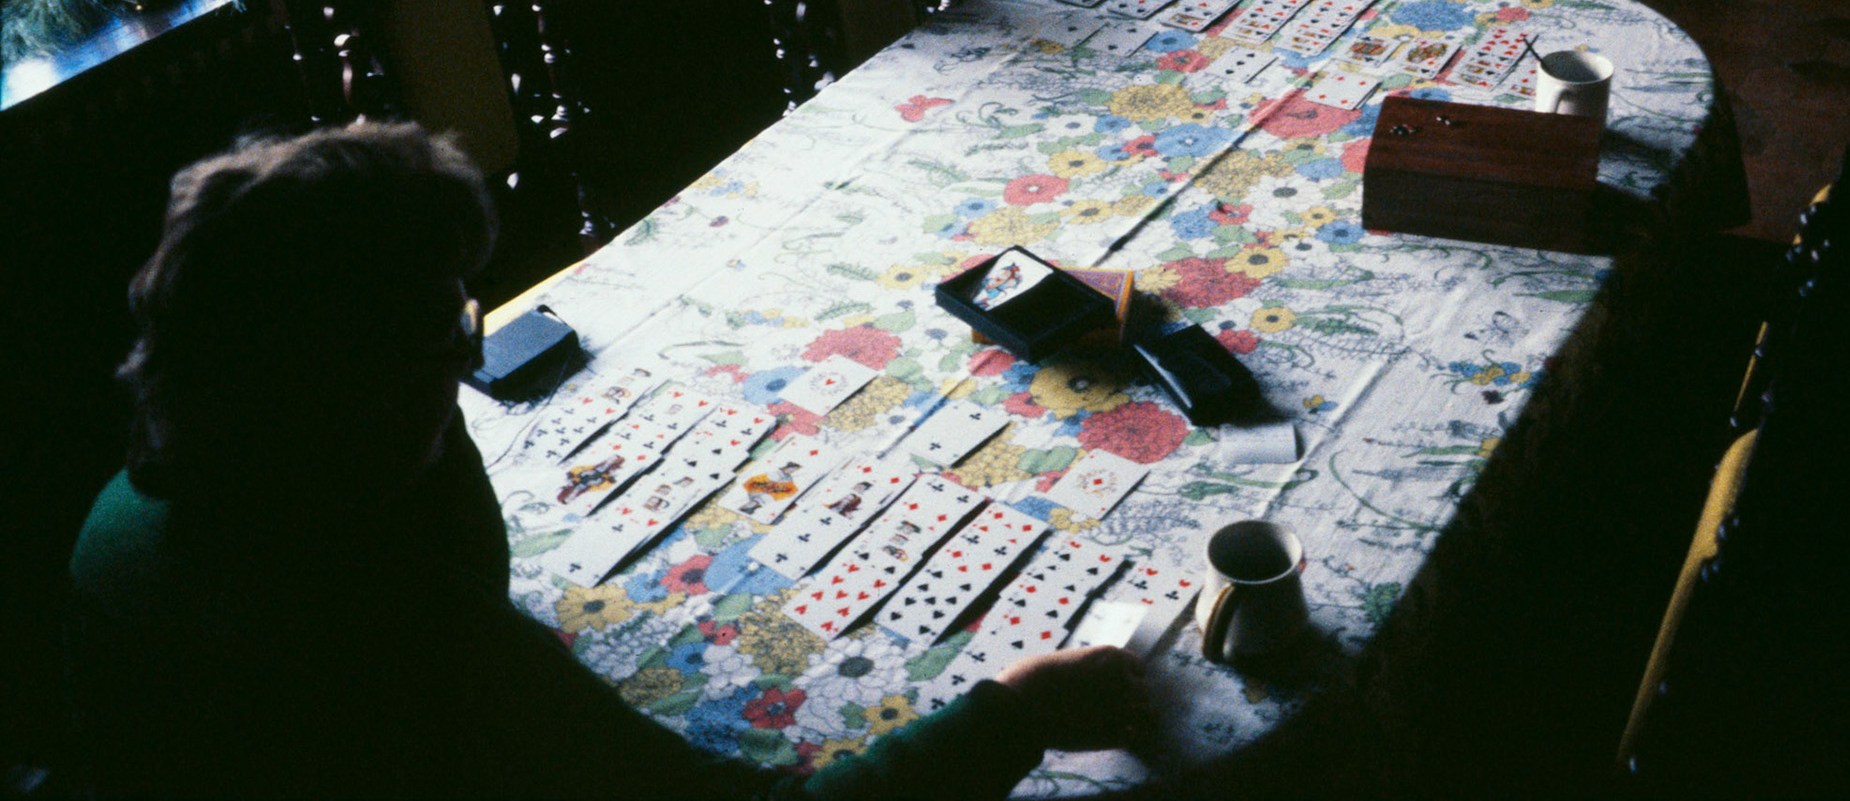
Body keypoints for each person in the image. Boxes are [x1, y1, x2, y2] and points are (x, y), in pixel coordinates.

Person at [67, 123, 1147, 799]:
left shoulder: (144, 503)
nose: (467, 362)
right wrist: (1017, 713)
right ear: (360, 392)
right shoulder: (401, 639)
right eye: (452, 337)